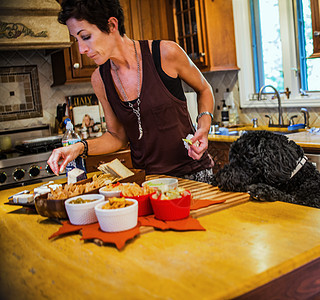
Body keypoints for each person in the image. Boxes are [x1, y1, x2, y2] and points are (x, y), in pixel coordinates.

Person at [47, 0, 214, 183]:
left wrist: (203, 128)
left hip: (194, 175)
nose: (81, 49)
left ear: (112, 25)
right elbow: (117, 136)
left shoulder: (165, 53)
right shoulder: (100, 78)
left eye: (85, 36)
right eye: (76, 39)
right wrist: (79, 147)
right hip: (148, 182)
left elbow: (204, 89)